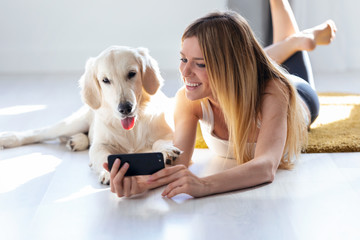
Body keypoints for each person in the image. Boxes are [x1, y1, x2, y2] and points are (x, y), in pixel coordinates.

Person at [103, 0, 337, 198]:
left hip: (300, 93)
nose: (184, 73)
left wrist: (204, 184)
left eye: (200, 64)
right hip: (245, 73)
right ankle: (296, 39)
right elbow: (179, 161)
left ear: (228, 67)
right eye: (183, 59)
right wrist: (141, 184)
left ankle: (296, 39)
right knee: (255, 62)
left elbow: (266, 167)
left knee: (271, 66)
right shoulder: (188, 99)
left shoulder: (274, 92)